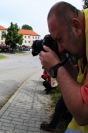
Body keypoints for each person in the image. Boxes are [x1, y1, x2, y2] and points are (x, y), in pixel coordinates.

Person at [39, 1, 88, 132]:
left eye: (60, 39)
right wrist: (60, 60)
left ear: (76, 26)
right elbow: (79, 84)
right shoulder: (83, 38)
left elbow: (83, 113)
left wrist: (56, 68)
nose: (60, 48)